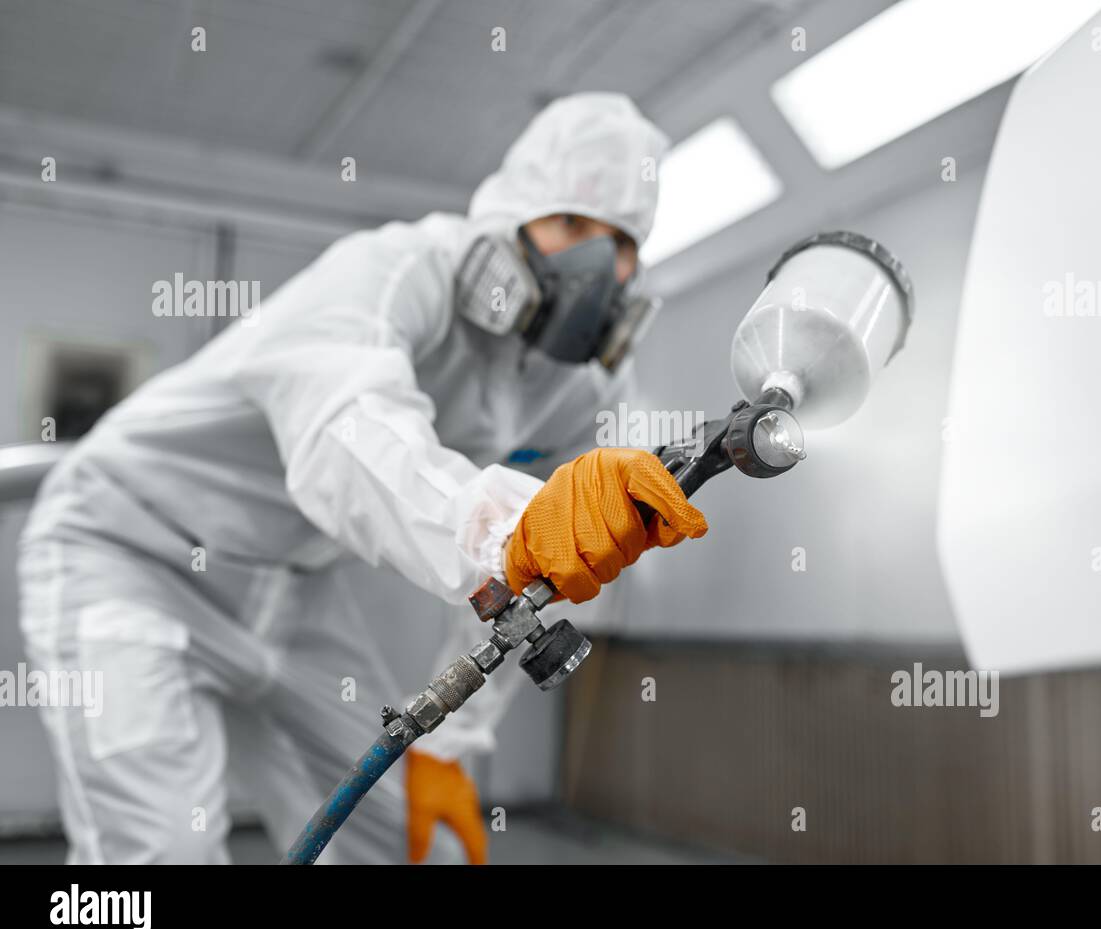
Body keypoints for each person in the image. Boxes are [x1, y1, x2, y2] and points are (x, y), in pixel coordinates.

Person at [17, 92, 708, 864]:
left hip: (292, 595)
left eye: (620, 242)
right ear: (511, 215)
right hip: (126, 550)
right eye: (572, 225)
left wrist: (455, 747)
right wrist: (507, 528)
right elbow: (349, 429)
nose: (594, 266)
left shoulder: (583, 385)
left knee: (413, 851)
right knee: (158, 856)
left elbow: (543, 577)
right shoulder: (394, 268)